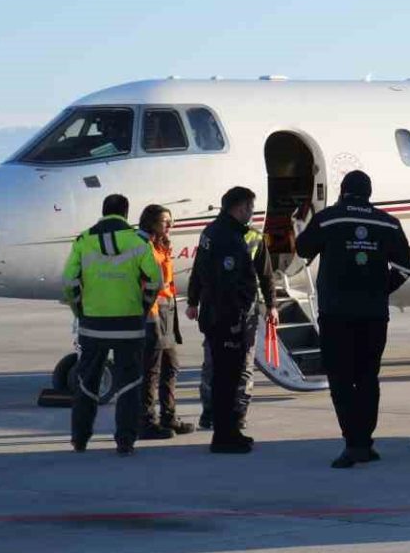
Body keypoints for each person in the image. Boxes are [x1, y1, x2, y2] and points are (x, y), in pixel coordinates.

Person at [296, 170, 410, 468]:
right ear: (369, 193)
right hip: (374, 314)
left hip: (336, 313)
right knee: (367, 377)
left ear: (342, 191)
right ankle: (365, 441)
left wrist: (300, 227)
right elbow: (405, 268)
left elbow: (303, 250)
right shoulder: (388, 222)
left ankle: (353, 443)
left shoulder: (328, 219)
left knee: (341, 379)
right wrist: (380, 289)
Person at [61, 193, 163, 456]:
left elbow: (69, 281)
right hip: (129, 325)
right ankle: (125, 441)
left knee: (87, 382)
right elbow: (155, 280)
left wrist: (79, 310)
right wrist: (142, 308)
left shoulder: (83, 241)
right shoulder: (138, 242)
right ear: (126, 213)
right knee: (129, 384)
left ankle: (80, 439)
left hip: (93, 326)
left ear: (103, 211)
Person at [188, 187, 263, 454]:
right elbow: (228, 284)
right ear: (240, 208)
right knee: (227, 378)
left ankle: (229, 431)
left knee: (224, 376)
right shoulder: (229, 238)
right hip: (226, 317)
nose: (252, 213)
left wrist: (194, 300)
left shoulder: (211, 231)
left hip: (214, 313)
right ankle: (224, 436)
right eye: (250, 207)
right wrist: (237, 317)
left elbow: (198, 269)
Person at [192, 214, 275, 433]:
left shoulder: (254, 237)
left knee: (244, 365)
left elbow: (266, 275)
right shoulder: (212, 234)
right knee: (212, 364)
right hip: (217, 310)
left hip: (245, 311)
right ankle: (210, 412)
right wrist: (192, 300)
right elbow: (199, 270)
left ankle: (238, 413)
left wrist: (272, 305)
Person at [137, 205, 194, 439]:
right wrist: (149, 316)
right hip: (152, 313)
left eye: (171, 221)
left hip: (166, 311)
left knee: (171, 366)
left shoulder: (160, 244)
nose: (170, 226)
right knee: (151, 370)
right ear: (151, 223)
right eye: (164, 221)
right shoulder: (143, 246)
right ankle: (146, 422)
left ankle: (168, 417)